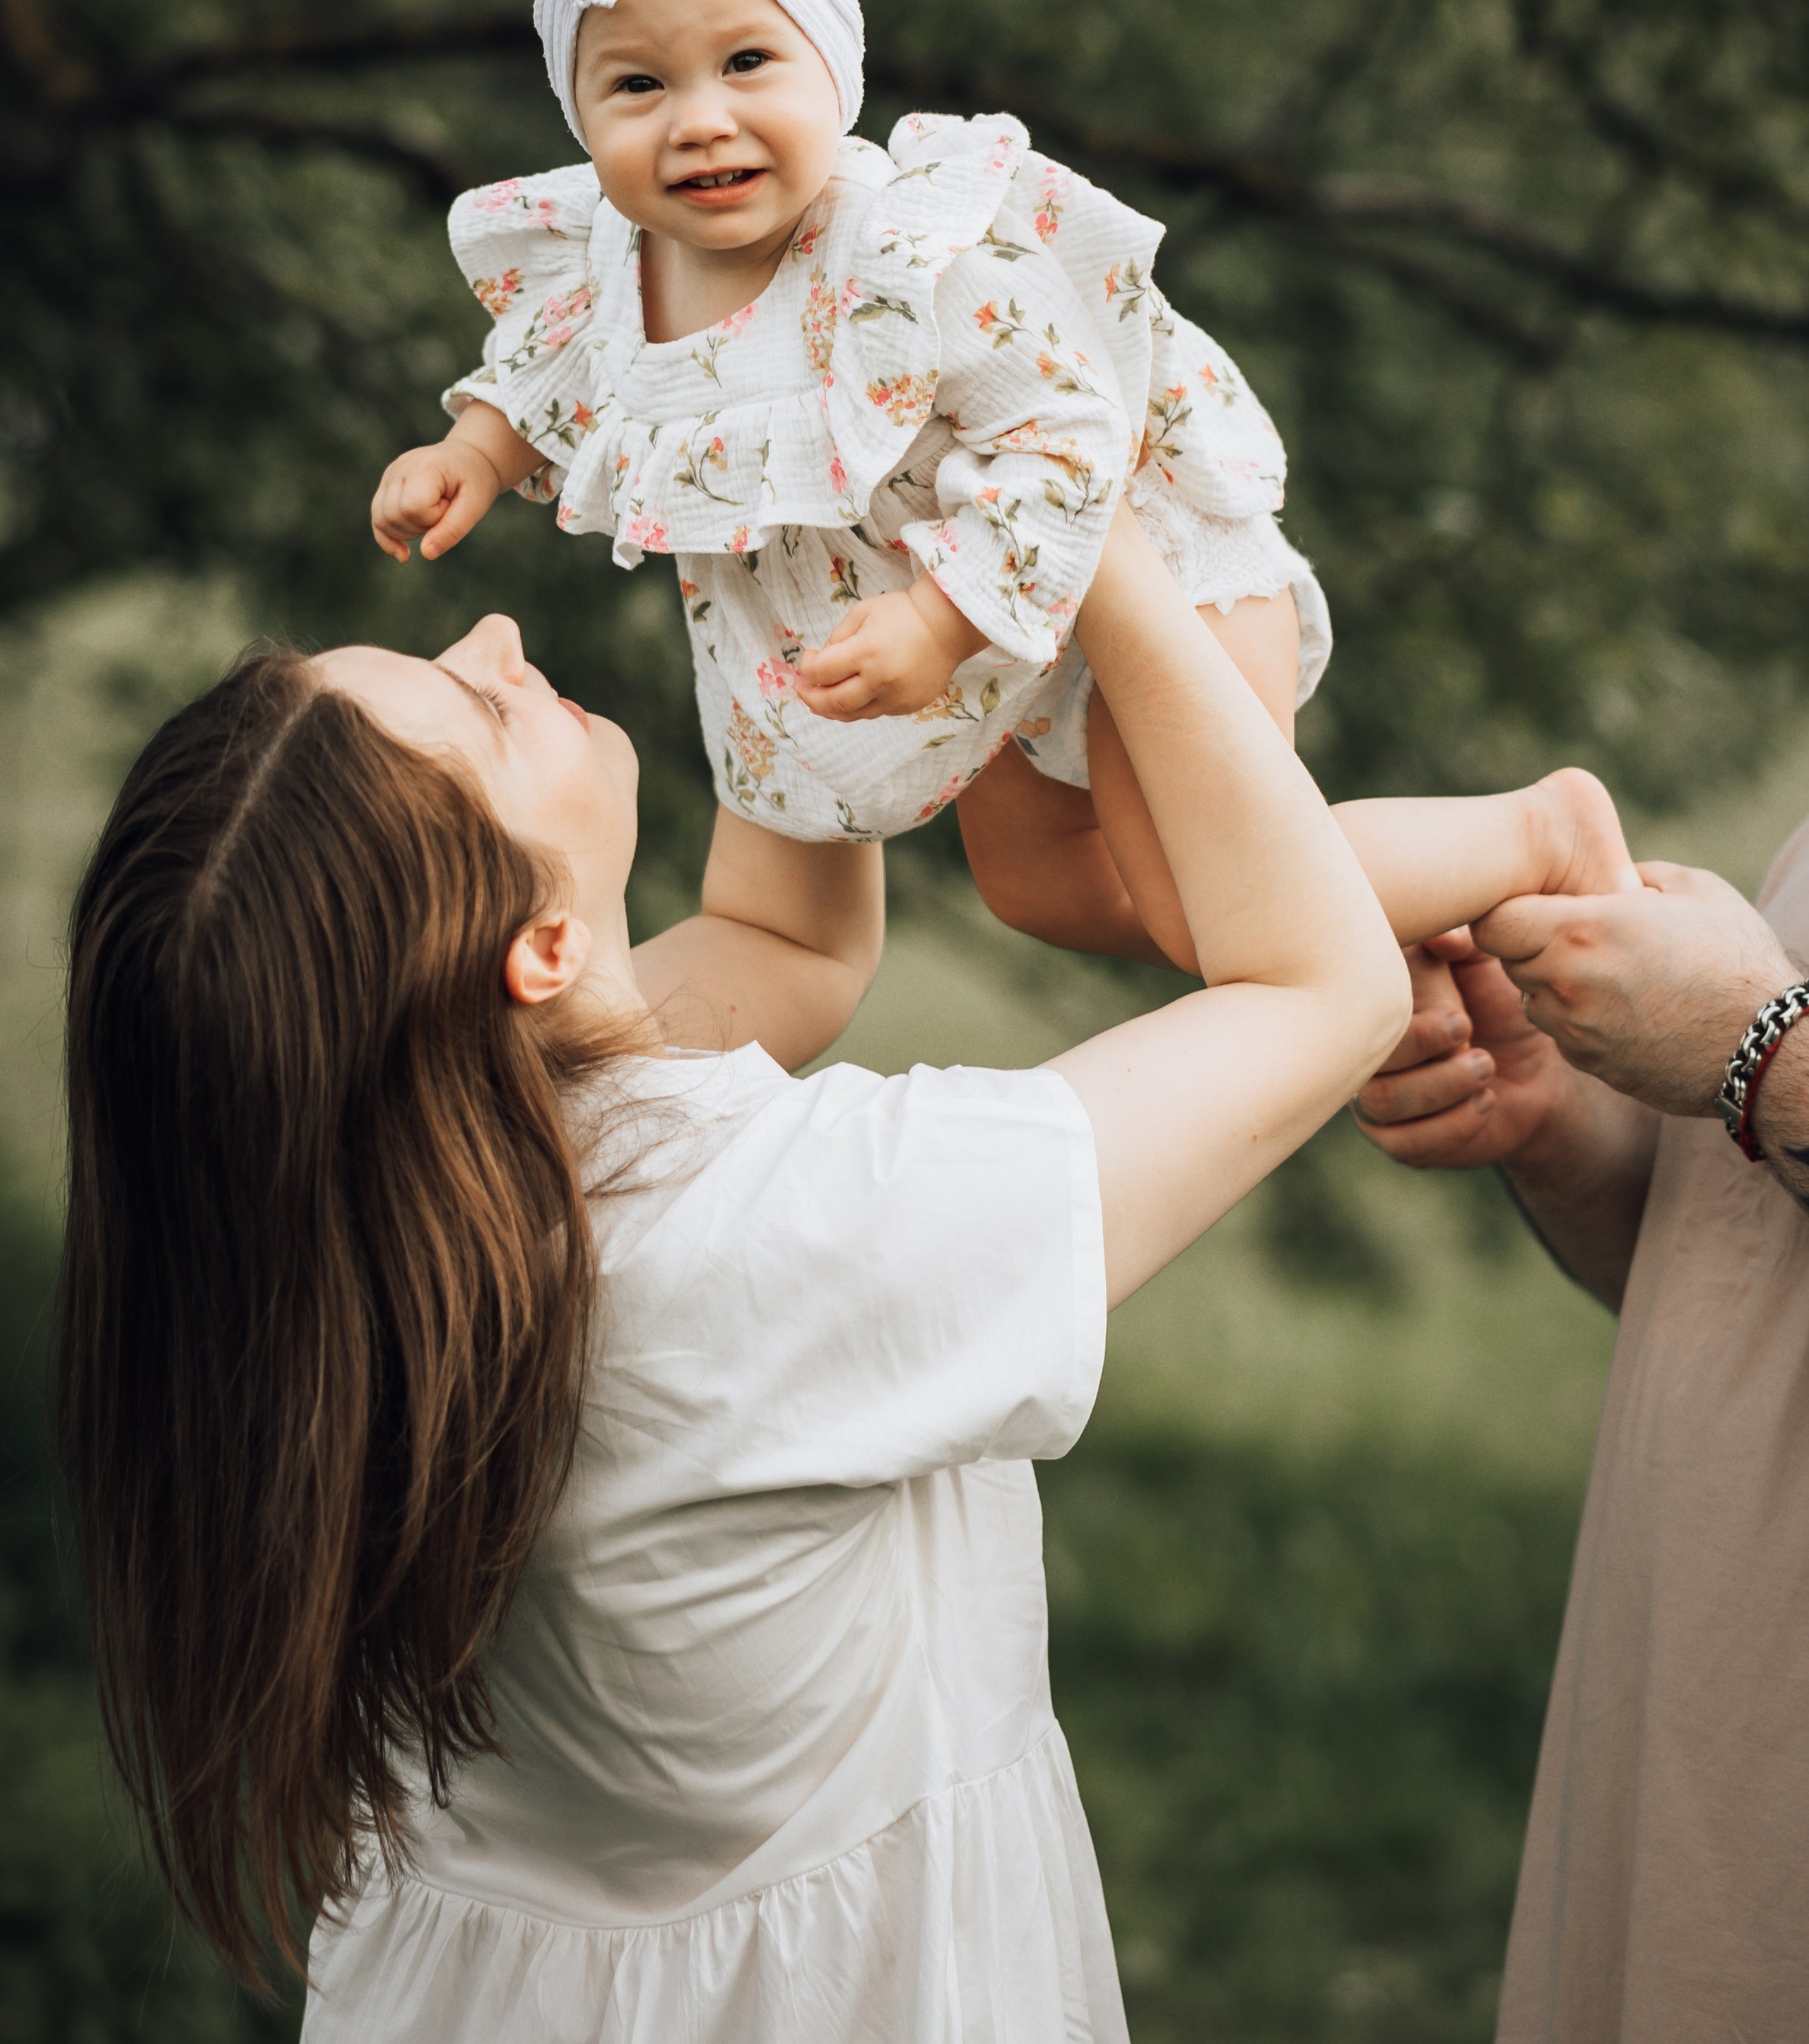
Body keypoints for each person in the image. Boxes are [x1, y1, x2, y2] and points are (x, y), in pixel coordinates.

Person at [56, 504, 1413, 2040]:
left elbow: (786, 943)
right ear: (535, 954)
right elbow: (1326, 984)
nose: (497, 638)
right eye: (486, 708)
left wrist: (779, 517)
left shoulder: (390, 1199)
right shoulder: (779, 1241)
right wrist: (1071, 527)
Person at [367, 0, 1639, 965]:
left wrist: (940, 624)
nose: (699, 120)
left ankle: (1541, 832)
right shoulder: (609, 253)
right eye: (639, 84)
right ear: (577, 105)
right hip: (971, 636)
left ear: (835, 62)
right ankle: (1393, 917)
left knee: (1206, 904)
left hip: (1121, 560)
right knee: (1045, 895)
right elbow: (558, 366)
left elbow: (1070, 434)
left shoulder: (908, 250)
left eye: (748, 62)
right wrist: (473, 453)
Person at [1352, 837, 1809, 2044]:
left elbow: (1772, 1068)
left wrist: (1763, 1045)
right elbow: (1761, 1272)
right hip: (1688, 1743)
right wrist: (1561, 1125)